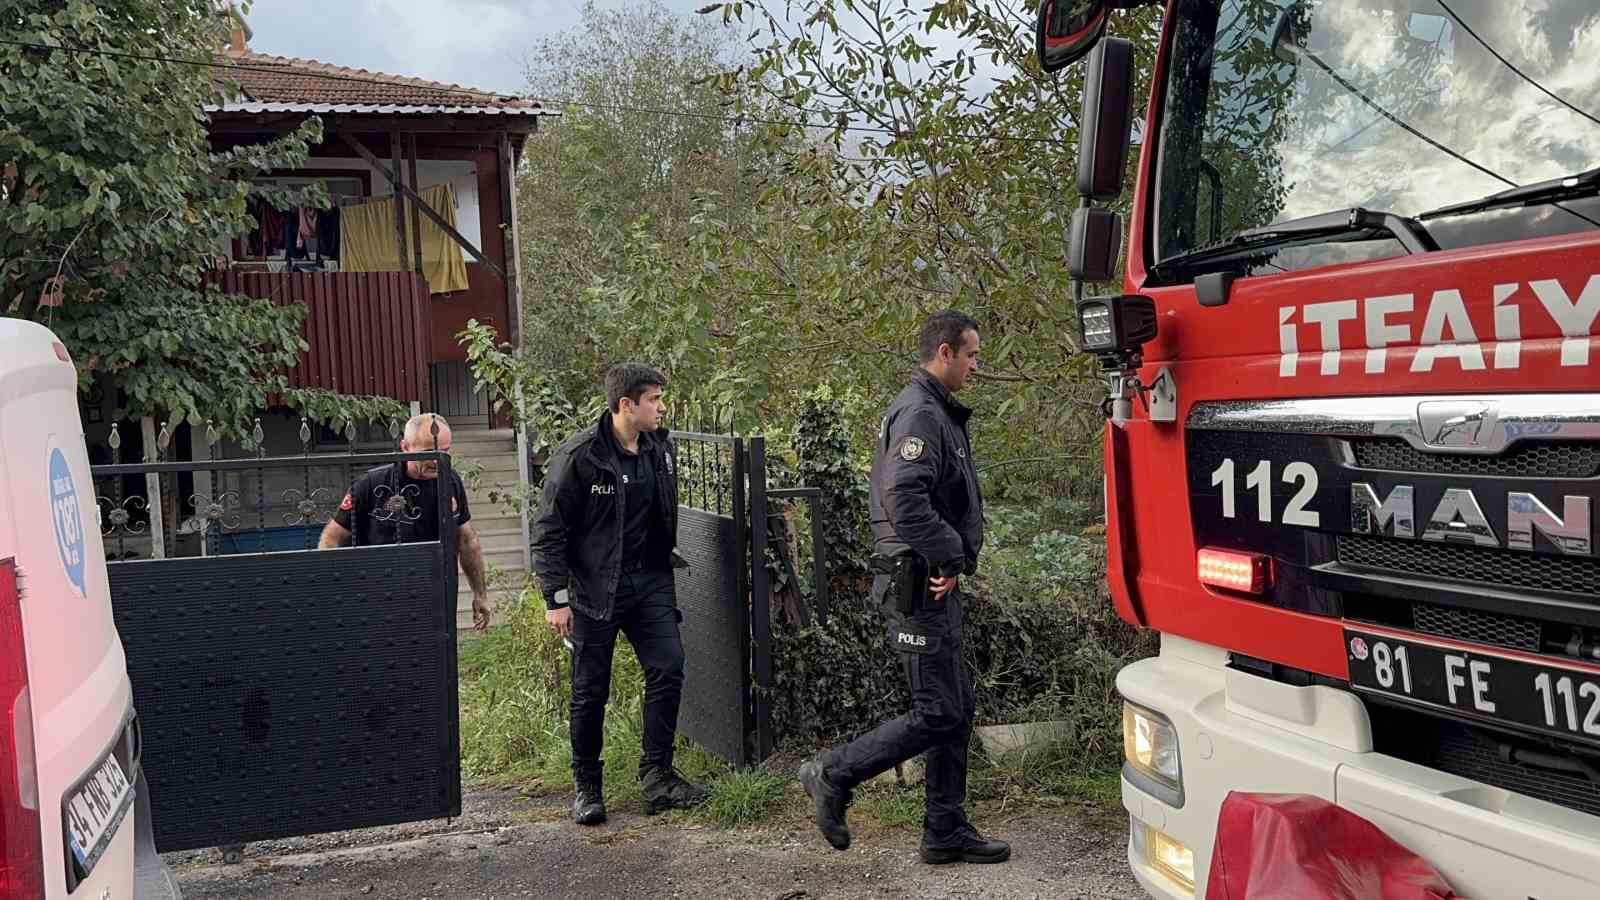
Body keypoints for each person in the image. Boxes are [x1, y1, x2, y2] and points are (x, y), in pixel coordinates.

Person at [798, 310, 1010, 865]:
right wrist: (947, 553)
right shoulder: (920, 413)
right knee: (938, 710)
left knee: (956, 707)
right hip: (919, 585)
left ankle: (944, 829)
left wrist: (952, 561)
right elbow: (904, 499)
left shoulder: (937, 411)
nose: (974, 365)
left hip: (937, 581)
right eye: (971, 355)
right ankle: (832, 772)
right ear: (945, 352)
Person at [530, 362, 707, 825]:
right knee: (590, 691)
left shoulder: (658, 449)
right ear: (626, 404)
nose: (662, 407)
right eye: (654, 399)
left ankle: (658, 776)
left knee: (668, 667)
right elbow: (548, 531)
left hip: (649, 581)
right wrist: (555, 598)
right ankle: (588, 788)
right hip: (594, 590)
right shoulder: (580, 457)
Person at [318, 413, 492, 632]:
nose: (438, 459)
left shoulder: (450, 481)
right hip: (380, 606)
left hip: (436, 601)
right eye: (429, 452)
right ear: (405, 447)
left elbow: (467, 541)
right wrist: (339, 593)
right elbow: (330, 539)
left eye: (445, 451)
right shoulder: (372, 484)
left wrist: (480, 594)